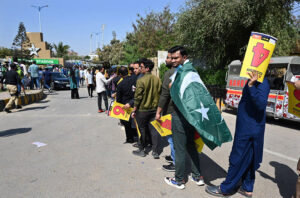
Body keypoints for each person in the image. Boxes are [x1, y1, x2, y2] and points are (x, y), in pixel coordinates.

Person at [205, 70, 270, 197]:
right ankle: (247, 187)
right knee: (250, 158)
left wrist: (251, 86)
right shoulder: (257, 80)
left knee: (237, 157)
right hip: (249, 127)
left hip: (248, 129)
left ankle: (226, 188)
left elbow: (261, 104)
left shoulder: (262, 83)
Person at [164, 46, 204, 190]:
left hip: (181, 115)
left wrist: (171, 87)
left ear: (184, 57)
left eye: (176, 58)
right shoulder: (190, 70)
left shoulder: (184, 72)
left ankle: (179, 180)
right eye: (172, 58)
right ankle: (197, 176)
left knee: (179, 148)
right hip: (190, 115)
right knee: (191, 146)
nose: (173, 61)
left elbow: (178, 91)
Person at [132, 58, 162, 159]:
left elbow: (138, 97)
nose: (140, 68)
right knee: (154, 131)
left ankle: (142, 150)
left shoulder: (141, 80)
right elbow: (160, 94)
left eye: (141, 67)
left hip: (143, 110)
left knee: (142, 130)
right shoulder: (157, 79)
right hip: (154, 109)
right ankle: (155, 152)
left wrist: (134, 109)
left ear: (147, 68)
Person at [155, 51, 176, 172]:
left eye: (168, 58)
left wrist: (158, 112)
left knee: (171, 138)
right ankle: (174, 157)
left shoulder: (169, 73)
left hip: (170, 111)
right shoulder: (185, 71)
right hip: (179, 112)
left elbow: (164, 95)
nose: (167, 60)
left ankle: (175, 162)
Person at [116, 66, 137, 143]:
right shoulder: (134, 79)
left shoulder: (120, 84)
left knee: (126, 123)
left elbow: (118, 99)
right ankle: (136, 135)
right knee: (134, 121)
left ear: (120, 74)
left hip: (125, 105)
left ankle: (130, 138)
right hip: (134, 103)